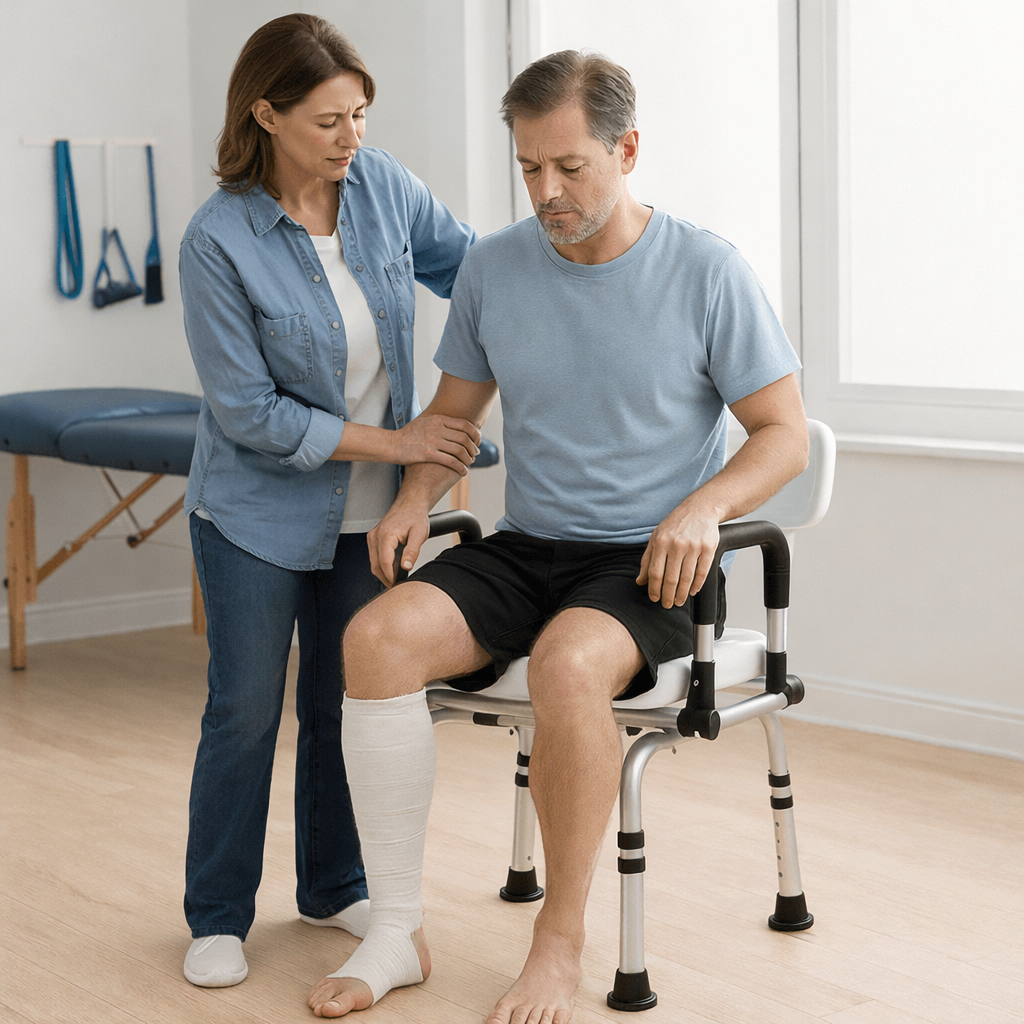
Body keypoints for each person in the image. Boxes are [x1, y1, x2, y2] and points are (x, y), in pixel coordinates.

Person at [308, 50, 808, 1022]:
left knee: (568, 664)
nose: (545, 191)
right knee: (374, 638)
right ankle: (396, 928)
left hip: (647, 563)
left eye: (568, 167)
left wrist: (702, 507)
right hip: (528, 545)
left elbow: (783, 432)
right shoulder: (494, 267)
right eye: (528, 167)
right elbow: (454, 417)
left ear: (626, 149)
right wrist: (415, 497)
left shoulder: (706, 270)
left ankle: (558, 943)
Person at [177, 14, 479, 989]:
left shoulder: (384, 187)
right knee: (246, 708)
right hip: (256, 512)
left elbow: (477, 278)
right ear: (265, 113)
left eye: (359, 114)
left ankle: (331, 882)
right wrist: (402, 441)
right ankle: (218, 912)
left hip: (372, 512)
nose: (352, 138)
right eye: (326, 120)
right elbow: (252, 413)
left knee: (349, 699)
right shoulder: (217, 239)